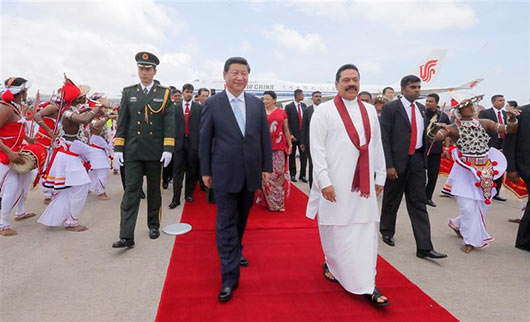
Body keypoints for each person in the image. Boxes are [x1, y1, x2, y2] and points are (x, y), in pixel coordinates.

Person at [306, 64, 389, 306]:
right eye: (346, 80)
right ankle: (333, 265)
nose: (351, 83)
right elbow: (317, 150)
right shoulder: (324, 112)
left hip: (363, 185)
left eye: (355, 79)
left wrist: (380, 175)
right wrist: (324, 182)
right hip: (335, 182)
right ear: (336, 84)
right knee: (336, 230)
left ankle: (366, 283)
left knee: (364, 231)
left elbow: (376, 146)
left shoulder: (370, 111)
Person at [200, 57, 272, 302]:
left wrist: (266, 167)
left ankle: (235, 249)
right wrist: (205, 171)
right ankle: (229, 278)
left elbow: (264, 137)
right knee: (225, 223)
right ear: (225, 75)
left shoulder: (255, 104)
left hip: (250, 173)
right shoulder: (213, 104)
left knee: (241, 221)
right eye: (235, 73)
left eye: (244, 73)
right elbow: (204, 140)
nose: (240, 77)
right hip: (223, 173)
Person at [427, 94, 519, 253]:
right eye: (467, 105)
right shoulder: (453, 128)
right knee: (468, 207)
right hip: (465, 171)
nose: (472, 107)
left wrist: (511, 119)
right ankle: (470, 240)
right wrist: (435, 128)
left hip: (485, 170)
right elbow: (432, 139)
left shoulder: (484, 123)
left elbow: (508, 130)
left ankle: (457, 224)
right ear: (460, 110)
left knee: (482, 206)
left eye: (473, 105)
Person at [379, 75, 447, 259]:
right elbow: (383, 138)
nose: (417, 90)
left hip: (417, 160)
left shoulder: (421, 109)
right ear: (403, 89)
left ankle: (424, 246)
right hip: (397, 161)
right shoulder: (391, 108)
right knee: (392, 199)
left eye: (418, 87)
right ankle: (387, 231)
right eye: (413, 87)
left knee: (418, 202)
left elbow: (422, 135)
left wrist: (434, 133)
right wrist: (389, 165)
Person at [112, 51, 175, 248]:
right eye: (141, 68)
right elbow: (122, 122)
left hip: (155, 152)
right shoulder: (129, 92)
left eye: (148, 69)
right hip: (133, 151)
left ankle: (153, 224)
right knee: (131, 191)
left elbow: (169, 123)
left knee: (154, 191)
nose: (144, 72)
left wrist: (168, 148)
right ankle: (126, 235)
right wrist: (118, 148)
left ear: (154, 71)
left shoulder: (164, 93)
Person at [39, 80, 104, 232]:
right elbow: (84, 120)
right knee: (81, 185)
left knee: (70, 188)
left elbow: (81, 116)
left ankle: (62, 217)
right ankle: (71, 221)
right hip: (68, 154)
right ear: (77, 99)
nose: (85, 98)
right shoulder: (68, 112)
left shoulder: (71, 109)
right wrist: (96, 108)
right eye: (83, 96)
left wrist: (89, 109)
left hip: (69, 153)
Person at [0, 77, 38, 236]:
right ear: (20, 92)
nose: (26, 93)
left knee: (24, 182)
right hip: (5, 154)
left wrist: (27, 139)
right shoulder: (5, 108)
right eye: (25, 90)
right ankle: (2, 223)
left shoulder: (14, 107)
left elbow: (12, 130)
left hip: (16, 150)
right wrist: (9, 152)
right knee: (12, 186)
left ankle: (20, 212)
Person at [256, 91, 291, 211]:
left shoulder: (282, 112)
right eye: (263, 99)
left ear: (274, 100)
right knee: (264, 176)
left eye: (268, 99)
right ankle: (265, 199)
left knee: (277, 175)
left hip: (278, 148)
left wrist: (289, 144)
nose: (265, 101)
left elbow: (286, 130)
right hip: (261, 149)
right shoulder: (259, 113)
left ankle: (277, 202)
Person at [169, 83, 203, 208]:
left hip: (193, 144)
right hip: (179, 144)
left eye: (191, 92)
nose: (189, 94)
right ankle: (175, 198)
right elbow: (170, 126)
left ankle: (189, 194)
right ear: (182, 93)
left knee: (191, 170)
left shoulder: (199, 108)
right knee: (177, 171)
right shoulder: (175, 108)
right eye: (187, 91)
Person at [504, 103, 530, 251]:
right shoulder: (520, 113)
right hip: (525, 164)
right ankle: (524, 241)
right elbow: (510, 141)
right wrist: (511, 168)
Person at [86, 94, 117, 200]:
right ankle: (101, 192)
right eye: (101, 107)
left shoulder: (100, 117)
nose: (104, 109)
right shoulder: (91, 118)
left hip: (99, 148)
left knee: (95, 170)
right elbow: (95, 126)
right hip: (94, 148)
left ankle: (90, 188)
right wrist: (107, 117)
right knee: (101, 169)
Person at [424, 93, 451, 207]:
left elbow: (448, 133)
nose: (427, 103)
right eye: (427, 101)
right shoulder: (421, 113)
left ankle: (428, 197)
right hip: (421, 148)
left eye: (430, 101)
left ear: (436, 103)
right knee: (419, 174)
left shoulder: (443, 116)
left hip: (435, 150)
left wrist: (446, 147)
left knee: (433, 174)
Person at [478, 94, 507, 201]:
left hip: (503, 143)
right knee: (488, 168)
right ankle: (485, 190)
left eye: (503, 100)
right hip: (489, 143)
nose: (502, 102)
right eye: (500, 100)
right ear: (493, 102)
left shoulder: (505, 114)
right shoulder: (485, 113)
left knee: (500, 167)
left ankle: (496, 192)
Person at [285, 89, 307, 183]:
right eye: (302, 94)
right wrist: (290, 134)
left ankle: (303, 175)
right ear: (297, 95)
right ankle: (293, 175)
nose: (303, 96)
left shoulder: (303, 106)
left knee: (303, 156)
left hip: (302, 136)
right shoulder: (289, 107)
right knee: (292, 156)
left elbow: (305, 121)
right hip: (293, 136)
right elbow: (287, 122)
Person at [301, 90, 322, 188]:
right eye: (316, 96)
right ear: (312, 98)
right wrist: (302, 142)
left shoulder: (325, 109)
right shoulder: (307, 110)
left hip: (323, 142)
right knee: (312, 164)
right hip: (310, 142)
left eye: (319, 96)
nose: (318, 98)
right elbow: (304, 127)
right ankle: (312, 185)